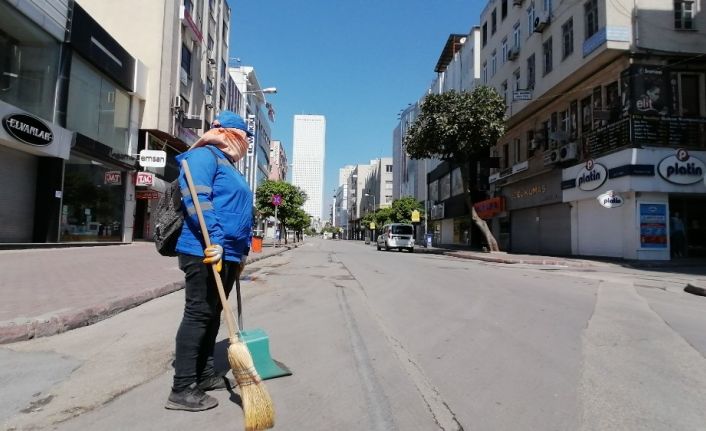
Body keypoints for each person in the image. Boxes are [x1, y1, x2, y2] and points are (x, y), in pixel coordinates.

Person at [165, 111, 253, 412]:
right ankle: (182, 387)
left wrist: (241, 251)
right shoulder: (204, 156)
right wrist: (214, 238)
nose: (246, 145)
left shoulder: (229, 165)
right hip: (203, 248)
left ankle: (203, 375)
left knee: (214, 314)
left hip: (227, 251)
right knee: (199, 314)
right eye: (244, 138)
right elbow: (197, 200)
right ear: (230, 135)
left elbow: (240, 210)